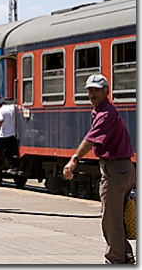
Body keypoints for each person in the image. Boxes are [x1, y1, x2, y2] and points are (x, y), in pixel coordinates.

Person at [63, 74, 135, 265]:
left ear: (106, 91)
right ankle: (125, 255)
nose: (92, 93)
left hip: (115, 169)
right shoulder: (102, 111)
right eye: (90, 90)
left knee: (110, 220)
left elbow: (90, 139)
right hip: (121, 168)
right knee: (117, 216)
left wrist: (74, 159)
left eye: (96, 90)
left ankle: (115, 260)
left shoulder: (105, 114)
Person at [0, 99, 19, 173]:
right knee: (9, 152)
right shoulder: (13, 107)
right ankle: (13, 166)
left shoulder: (0, 110)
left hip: (3, 135)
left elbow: (0, 120)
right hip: (12, 134)